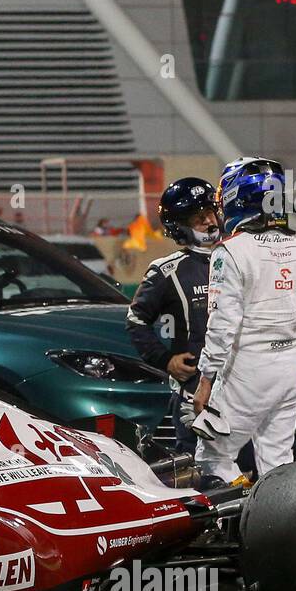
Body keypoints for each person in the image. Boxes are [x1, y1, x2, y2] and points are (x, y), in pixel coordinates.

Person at [192, 157, 296, 485]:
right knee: (278, 465)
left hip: (245, 372)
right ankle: (275, 530)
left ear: (239, 198)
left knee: (212, 456)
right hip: (287, 374)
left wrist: (206, 379)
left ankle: (231, 529)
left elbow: (223, 325)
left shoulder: (230, 251)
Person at [126, 176, 221, 454]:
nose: (207, 221)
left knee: (251, 467)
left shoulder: (240, 258)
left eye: (209, 212)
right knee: (198, 467)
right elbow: (136, 321)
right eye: (196, 217)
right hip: (194, 389)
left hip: (242, 385)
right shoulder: (166, 270)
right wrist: (165, 359)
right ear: (179, 226)